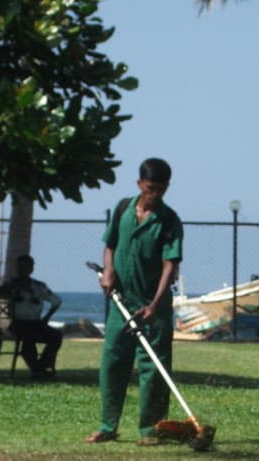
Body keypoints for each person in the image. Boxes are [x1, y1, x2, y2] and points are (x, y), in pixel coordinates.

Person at [87, 158, 183, 445]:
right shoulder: (122, 210)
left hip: (153, 306)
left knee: (153, 369)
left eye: (162, 189)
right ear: (140, 184)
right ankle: (107, 426)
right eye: (151, 188)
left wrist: (154, 304)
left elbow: (170, 265)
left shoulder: (169, 220)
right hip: (121, 303)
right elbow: (110, 245)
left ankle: (151, 430)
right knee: (113, 363)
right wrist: (109, 272)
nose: (155, 195)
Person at [1, 254, 63, 378]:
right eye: (20, 267)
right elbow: (0, 292)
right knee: (29, 336)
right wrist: (9, 289)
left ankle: (40, 367)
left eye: (26, 267)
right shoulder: (10, 284)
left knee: (56, 336)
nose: (23, 270)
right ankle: (38, 370)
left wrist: (46, 318)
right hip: (18, 323)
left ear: (31, 269)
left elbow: (56, 301)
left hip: (35, 323)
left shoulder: (39, 286)